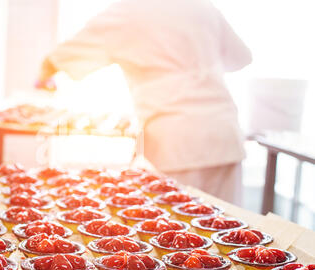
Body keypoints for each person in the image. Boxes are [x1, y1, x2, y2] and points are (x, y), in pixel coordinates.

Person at [37, 0, 252, 204]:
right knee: (228, 228)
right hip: (225, 132)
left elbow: (60, 58)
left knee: (174, 231)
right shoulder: (201, 5)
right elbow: (241, 58)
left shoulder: (128, 11)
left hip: (176, 140)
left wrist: (42, 78)